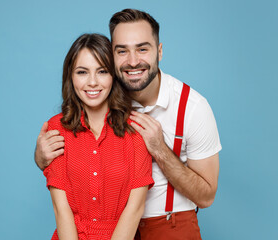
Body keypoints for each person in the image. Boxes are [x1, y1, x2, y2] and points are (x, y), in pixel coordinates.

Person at [36, 9, 222, 240]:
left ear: (159, 51)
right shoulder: (103, 91)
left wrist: (160, 149)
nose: (133, 61)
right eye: (122, 51)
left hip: (166, 224)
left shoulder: (192, 107)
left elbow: (206, 197)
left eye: (143, 49)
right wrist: (42, 158)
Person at [42, 33, 154, 239]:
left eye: (102, 71)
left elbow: (135, 208)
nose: (92, 82)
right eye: (82, 72)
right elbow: (61, 208)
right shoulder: (56, 128)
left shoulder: (137, 129)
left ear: (114, 76)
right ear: (71, 76)